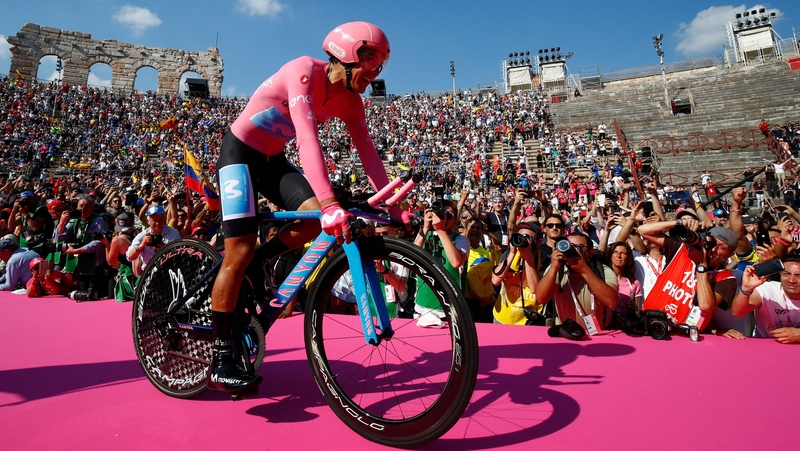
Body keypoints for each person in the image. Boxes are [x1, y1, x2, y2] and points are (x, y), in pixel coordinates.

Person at [207, 22, 408, 397]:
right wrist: (331, 203)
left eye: (381, 65)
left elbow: (368, 152)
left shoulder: (351, 101)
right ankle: (221, 358)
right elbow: (306, 135)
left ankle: (256, 264)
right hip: (239, 153)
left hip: (272, 160)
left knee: (313, 222)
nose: (375, 72)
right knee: (239, 250)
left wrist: (393, 203)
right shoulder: (304, 71)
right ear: (346, 53)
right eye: (370, 60)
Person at [535, 231, 619, 330]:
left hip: (600, 334)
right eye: (570, 246)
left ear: (591, 253)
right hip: (566, 333)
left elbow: (612, 302)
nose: (573, 250)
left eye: (579, 246)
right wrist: (553, 267)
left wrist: (584, 270)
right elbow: (540, 298)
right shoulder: (558, 269)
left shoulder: (603, 271)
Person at [733, 256, 800, 343]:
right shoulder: (767, 290)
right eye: (786, 274)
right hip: (764, 347)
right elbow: (738, 312)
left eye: (798, 276)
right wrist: (746, 289)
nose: (791, 280)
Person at [127, 206, 182, 277]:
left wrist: (165, 251)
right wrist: (141, 246)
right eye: (154, 220)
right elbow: (130, 257)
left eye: (160, 220)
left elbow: (180, 256)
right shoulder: (142, 236)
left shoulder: (173, 234)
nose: (158, 223)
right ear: (148, 221)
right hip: (148, 274)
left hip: (169, 272)